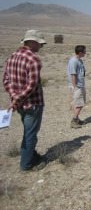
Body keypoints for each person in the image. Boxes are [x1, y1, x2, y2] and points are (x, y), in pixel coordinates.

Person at [3, 29, 47, 171]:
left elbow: (6, 80)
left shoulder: (13, 56)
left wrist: (15, 98)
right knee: (30, 134)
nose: (41, 46)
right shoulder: (33, 59)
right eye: (40, 44)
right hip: (32, 104)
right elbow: (31, 86)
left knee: (28, 132)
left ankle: (31, 155)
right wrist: (18, 100)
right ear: (32, 42)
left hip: (20, 105)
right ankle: (26, 164)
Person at [67, 45, 87, 128]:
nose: (85, 53)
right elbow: (73, 75)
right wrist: (75, 87)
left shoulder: (79, 60)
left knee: (81, 102)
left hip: (80, 84)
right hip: (77, 86)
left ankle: (77, 119)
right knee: (79, 103)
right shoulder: (73, 61)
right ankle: (74, 120)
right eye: (84, 51)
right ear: (80, 52)